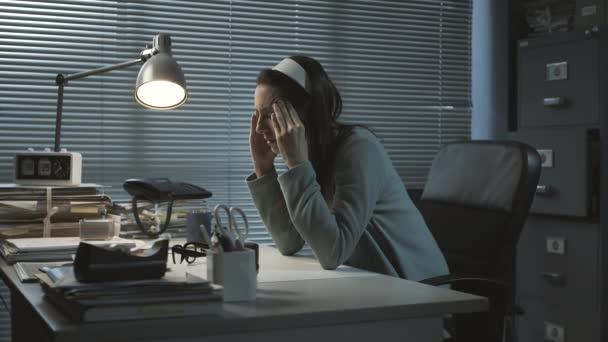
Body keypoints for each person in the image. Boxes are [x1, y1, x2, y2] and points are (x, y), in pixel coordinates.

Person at [246, 56, 448, 281]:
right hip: (374, 286)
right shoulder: (311, 156)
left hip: (420, 290)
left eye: (271, 115)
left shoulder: (359, 148)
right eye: (257, 115)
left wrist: (297, 165)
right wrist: (263, 168)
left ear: (306, 113)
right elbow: (289, 241)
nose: (259, 128)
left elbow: (333, 252)